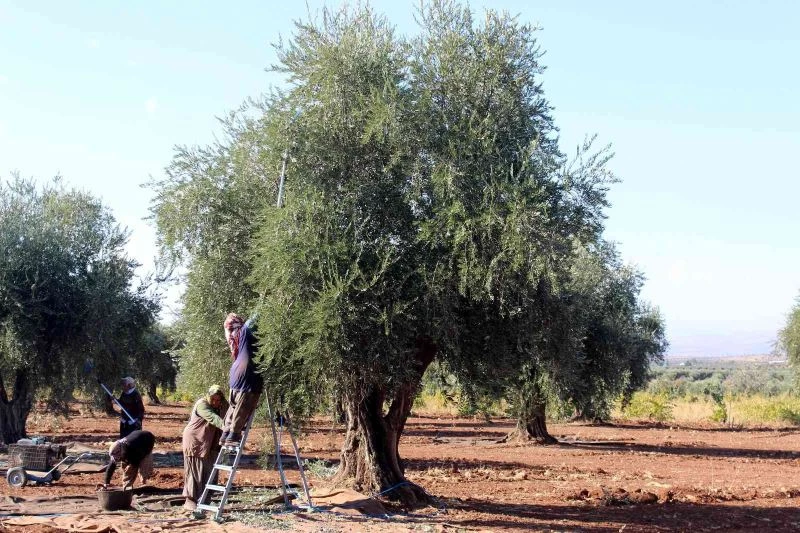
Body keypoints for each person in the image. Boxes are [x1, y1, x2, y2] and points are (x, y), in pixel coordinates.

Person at [182, 385, 229, 510]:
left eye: (218, 400)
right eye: (213, 399)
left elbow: (230, 413)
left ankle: (205, 500)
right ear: (208, 396)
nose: (215, 402)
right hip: (195, 441)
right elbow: (214, 419)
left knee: (209, 469)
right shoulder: (202, 404)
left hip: (211, 442)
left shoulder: (222, 405)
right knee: (195, 471)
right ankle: (190, 500)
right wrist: (229, 428)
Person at [219, 313, 263, 446]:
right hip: (247, 375)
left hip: (235, 375)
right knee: (243, 406)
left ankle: (225, 434)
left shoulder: (238, 341)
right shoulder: (246, 330)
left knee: (233, 406)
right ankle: (233, 435)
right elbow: (256, 317)